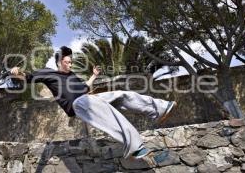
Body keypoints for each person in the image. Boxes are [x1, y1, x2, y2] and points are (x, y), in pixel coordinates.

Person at [10, 46, 177, 165]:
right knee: (109, 113)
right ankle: (134, 147)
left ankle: (160, 109)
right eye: (68, 62)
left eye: (71, 62)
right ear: (60, 61)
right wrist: (18, 74)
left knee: (122, 95)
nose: (70, 64)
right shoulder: (47, 73)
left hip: (87, 98)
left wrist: (93, 76)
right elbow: (28, 78)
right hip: (77, 105)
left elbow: (85, 87)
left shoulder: (73, 76)